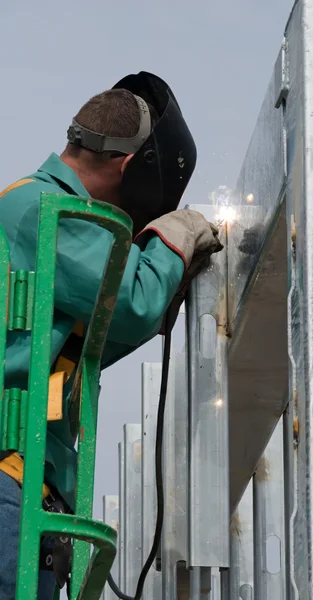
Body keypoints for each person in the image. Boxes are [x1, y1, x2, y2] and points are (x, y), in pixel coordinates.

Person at [0, 71, 222, 600]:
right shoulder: (47, 210)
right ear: (130, 167)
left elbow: (94, 341)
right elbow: (130, 304)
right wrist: (175, 234)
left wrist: (165, 286)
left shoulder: (37, 213)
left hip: (28, 487)